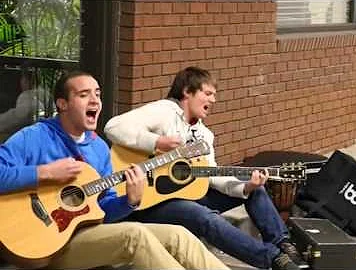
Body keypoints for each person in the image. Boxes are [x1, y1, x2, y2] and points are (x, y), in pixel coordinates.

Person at [0, 70, 229, 270]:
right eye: (84, 95)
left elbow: (102, 213)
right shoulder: (35, 137)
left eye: (97, 94)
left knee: (179, 235)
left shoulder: (98, 148)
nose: (95, 101)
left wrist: (129, 201)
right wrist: (45, 172)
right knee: (134, 236)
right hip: (44, 245)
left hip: (82, 236)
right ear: (63, 104)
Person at [104, 66, 306, 270]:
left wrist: (246, 188)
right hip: (149, 200)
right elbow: (113, 127)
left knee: (256, 191)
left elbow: (211, 174)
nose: (213, 100)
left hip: (184, 194)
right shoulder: (164, 111)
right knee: (203, 216)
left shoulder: (205, 136)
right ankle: (273, 260)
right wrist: (156, 142)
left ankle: (284, 244)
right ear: (186, 91)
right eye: (208, 93)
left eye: (214, 95)